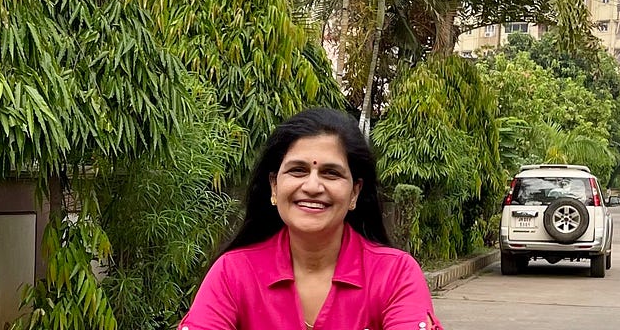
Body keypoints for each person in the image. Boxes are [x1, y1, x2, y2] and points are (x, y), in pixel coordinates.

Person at [180, 108, 442, 330]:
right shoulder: (233, 273)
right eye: (298, 170)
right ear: (274, 186)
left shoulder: (395, 275)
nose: (313, 186)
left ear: (355, 193)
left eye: (331, 173)